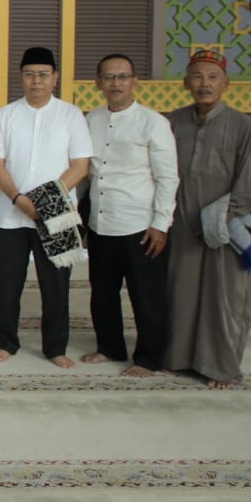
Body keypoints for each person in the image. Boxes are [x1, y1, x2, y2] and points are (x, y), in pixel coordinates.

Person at [0, 46, 92, 367]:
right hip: (11, 216)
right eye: (30, 74)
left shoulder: (71, 116)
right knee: (8, 285)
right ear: (21, 77)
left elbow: (80, 166)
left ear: (55, 78)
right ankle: (6, 342)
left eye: (43, 75)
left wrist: (45, 203)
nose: (36, 81)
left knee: (56, 285)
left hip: (57, 216)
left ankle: (56, 348)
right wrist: (19, 199)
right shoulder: (5, 115)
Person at [166, 50, 251, 388]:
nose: (204, 83)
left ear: (226, 83)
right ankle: (179, 359)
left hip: (227, 228)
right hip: (181, 228)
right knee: (182, 295)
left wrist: (217, 220)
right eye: (197, 76)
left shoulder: (244, 126)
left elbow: (247, 186)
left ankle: (221, 368)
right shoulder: (173, 123)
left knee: (225, 299)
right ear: (185, 83)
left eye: (212, 77)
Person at [81, 53, 179, 377]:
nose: (116, 83)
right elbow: (85, 173)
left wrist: (161, 224)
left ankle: (149, 358)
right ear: (98, 83)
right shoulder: (91, 120)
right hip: (101, 222)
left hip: (140, 225)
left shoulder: (153, 122)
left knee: (146, 296)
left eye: (123, 76)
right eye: (109, 77)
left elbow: (168, 178)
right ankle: (109, 347)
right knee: (103, 293)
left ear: (135, 81)